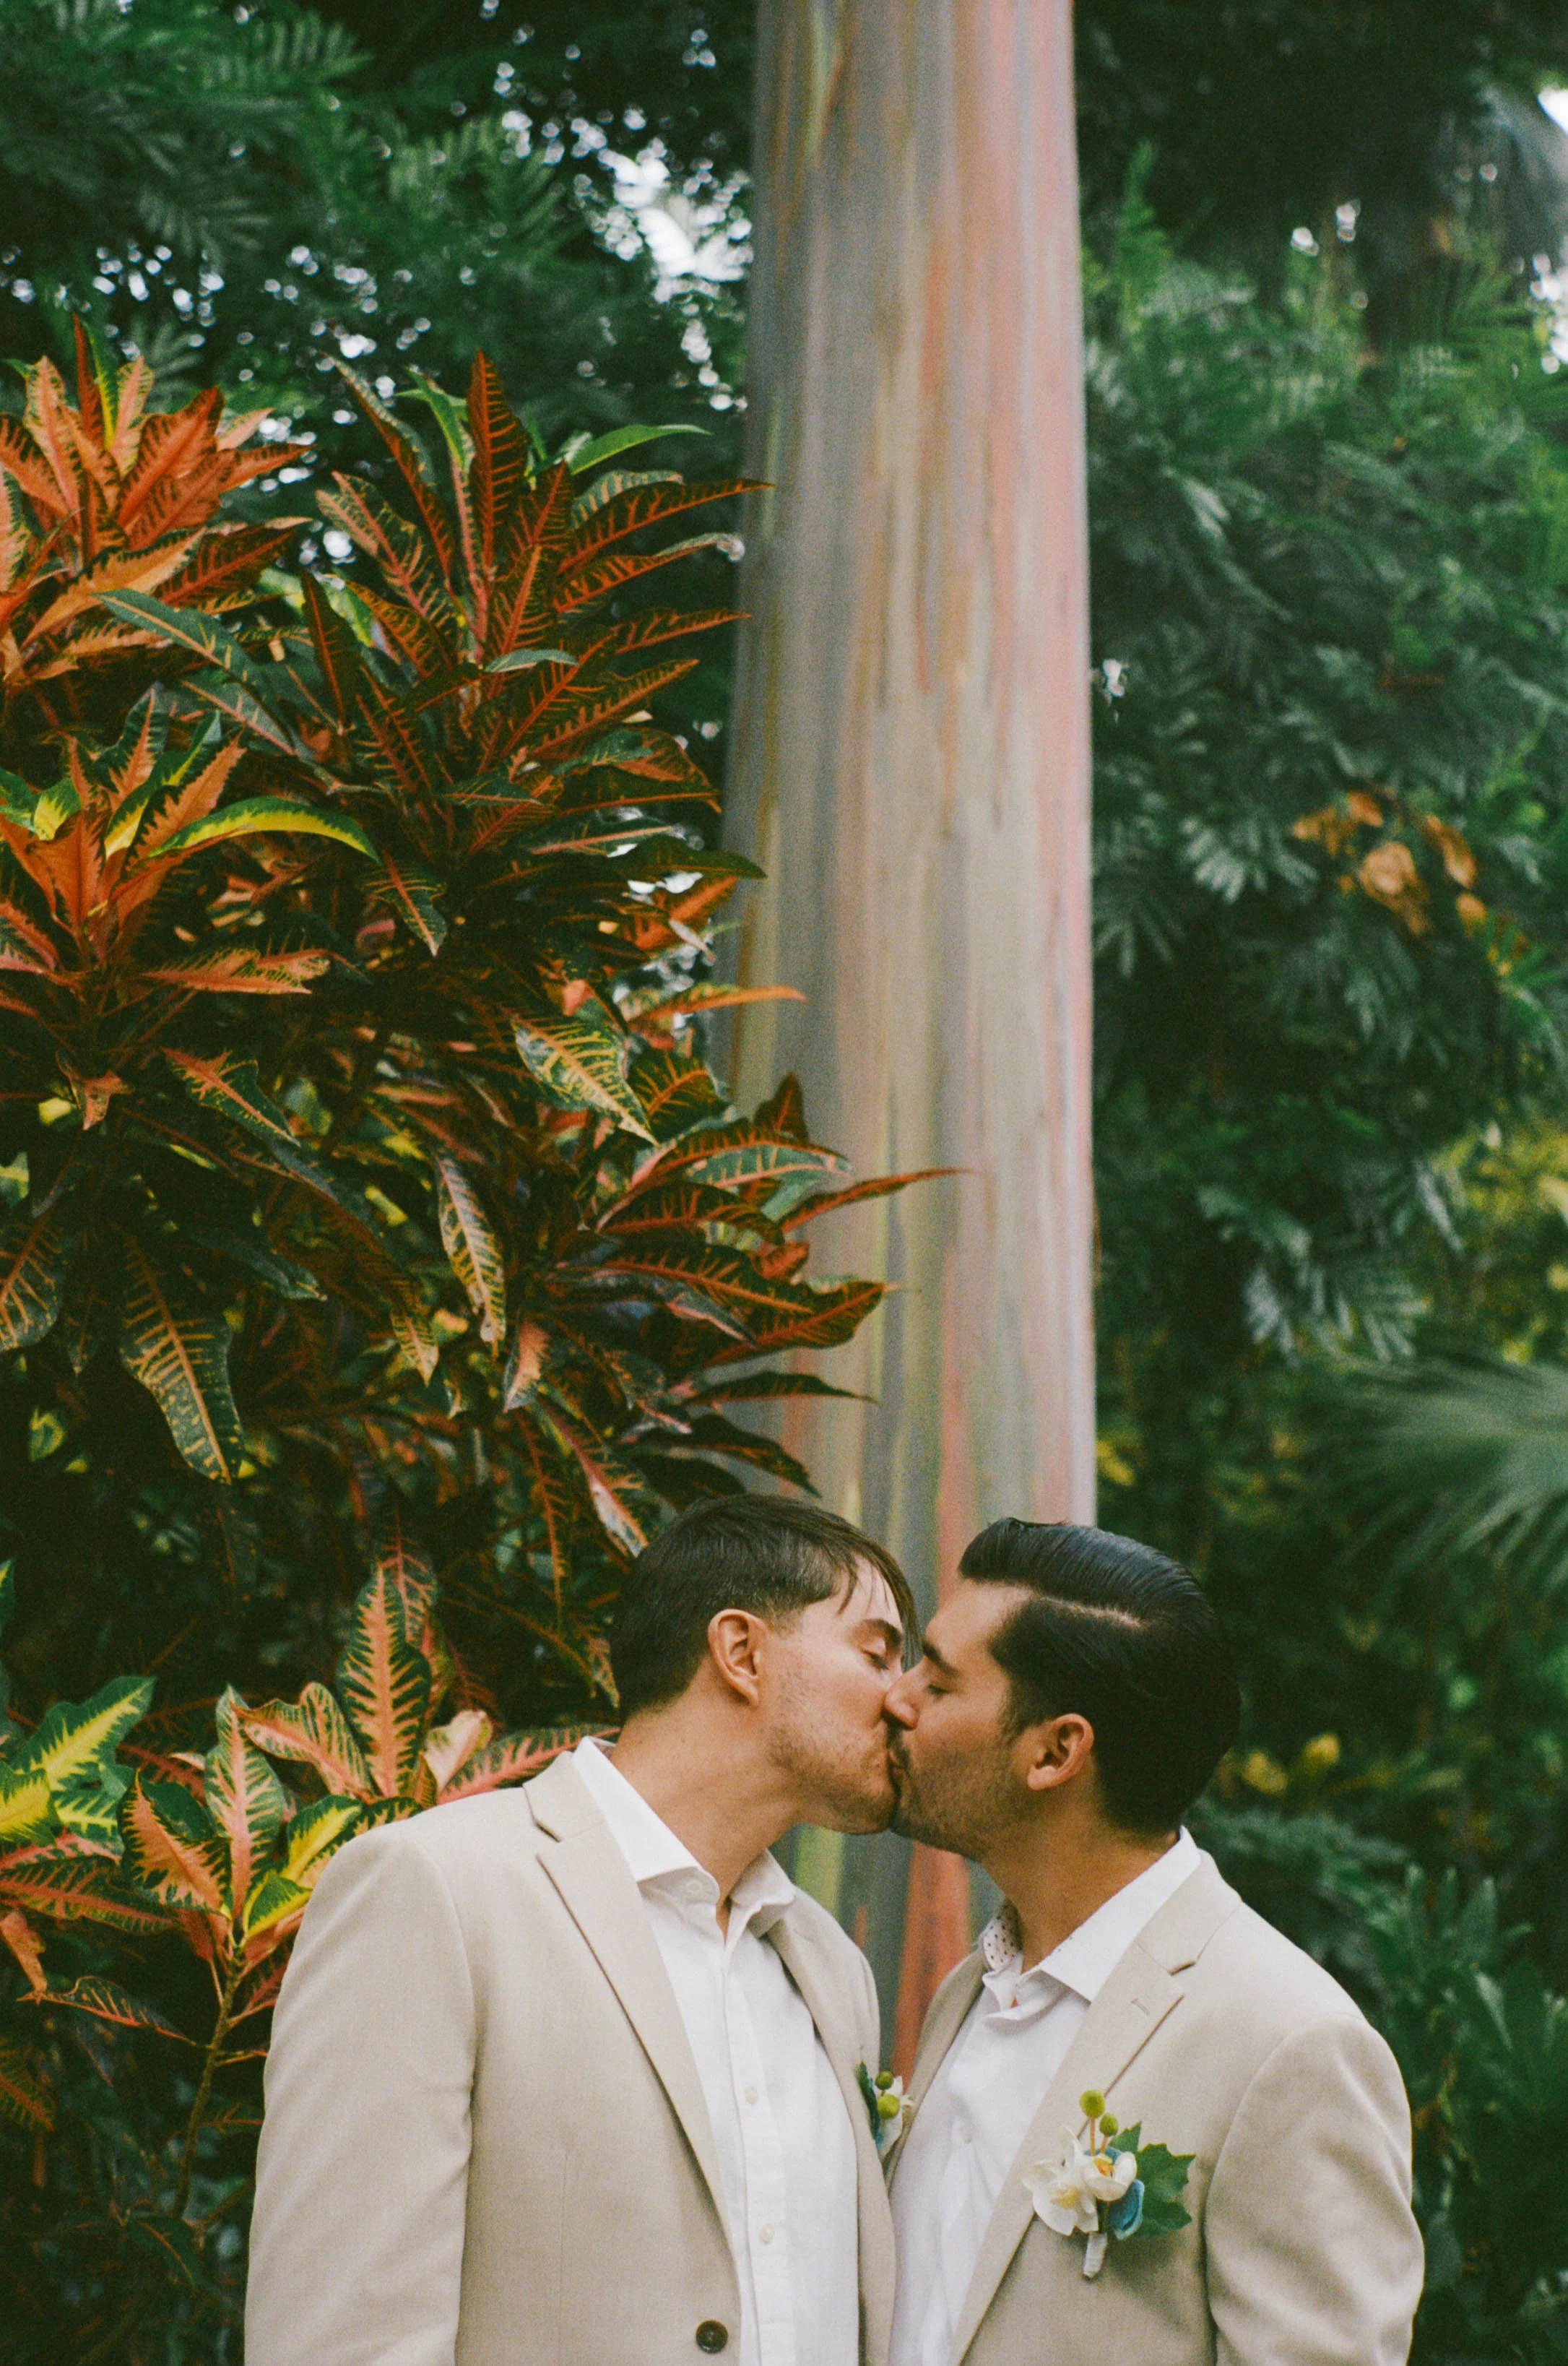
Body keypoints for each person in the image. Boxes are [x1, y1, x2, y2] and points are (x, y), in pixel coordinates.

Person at [246, 1495, 914, 2366]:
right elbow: (343, 2338)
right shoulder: (436, 1889)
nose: (905, 1700)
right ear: (741, 1652)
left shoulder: (831, 1966)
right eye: (876, 1652)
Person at [882, 1518, 1424, 2366]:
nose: (896, 1698)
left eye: (939, 1682)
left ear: (1055, 1749)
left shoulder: (1288, 2041)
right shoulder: (971, 1986)